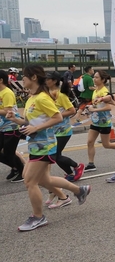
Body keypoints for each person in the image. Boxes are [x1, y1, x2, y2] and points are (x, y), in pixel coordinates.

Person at [8, 65, 90, 231]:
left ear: (33, 78)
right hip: (35, 146)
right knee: (43, 180)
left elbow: (58, 117)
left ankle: (38, 217)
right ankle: (79, 190)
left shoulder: (42, 98)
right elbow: (31, 123)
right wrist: (16, 120)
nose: (21, 79)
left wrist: (36, 128)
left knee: (30, 181)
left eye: (24, 76)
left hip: (45, 146)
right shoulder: (32, 98)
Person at [44, 72, 85, 207]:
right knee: (55, 156)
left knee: (55, 156)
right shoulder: (46, 95)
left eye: (48, 79)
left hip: (63, 131)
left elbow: (72, 110)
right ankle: (70, 173)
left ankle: (77, 166)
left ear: (54, 81)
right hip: (51, 131)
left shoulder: (61, 95)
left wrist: (58, 115)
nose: (45, 81)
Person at [84, 70, 115, 171]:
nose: (94, 79)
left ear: (103, 80)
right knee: (90, 142)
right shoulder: (95, 91)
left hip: (104, 123)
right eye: (94, 77)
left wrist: (94, 110)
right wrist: (89, 108)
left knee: (106, 145)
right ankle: (91, 164)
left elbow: (108, 107)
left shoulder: (104, 92)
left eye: (96, 77)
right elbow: (96, 105)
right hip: (95, 122)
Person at [0, 70, 25, 182]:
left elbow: (8, 111)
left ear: (1, 80)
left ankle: (22, 171)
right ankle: (15, 168)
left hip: (11, 126)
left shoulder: (7, 93)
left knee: (9, 152)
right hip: (2, 127)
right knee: (5, 153)